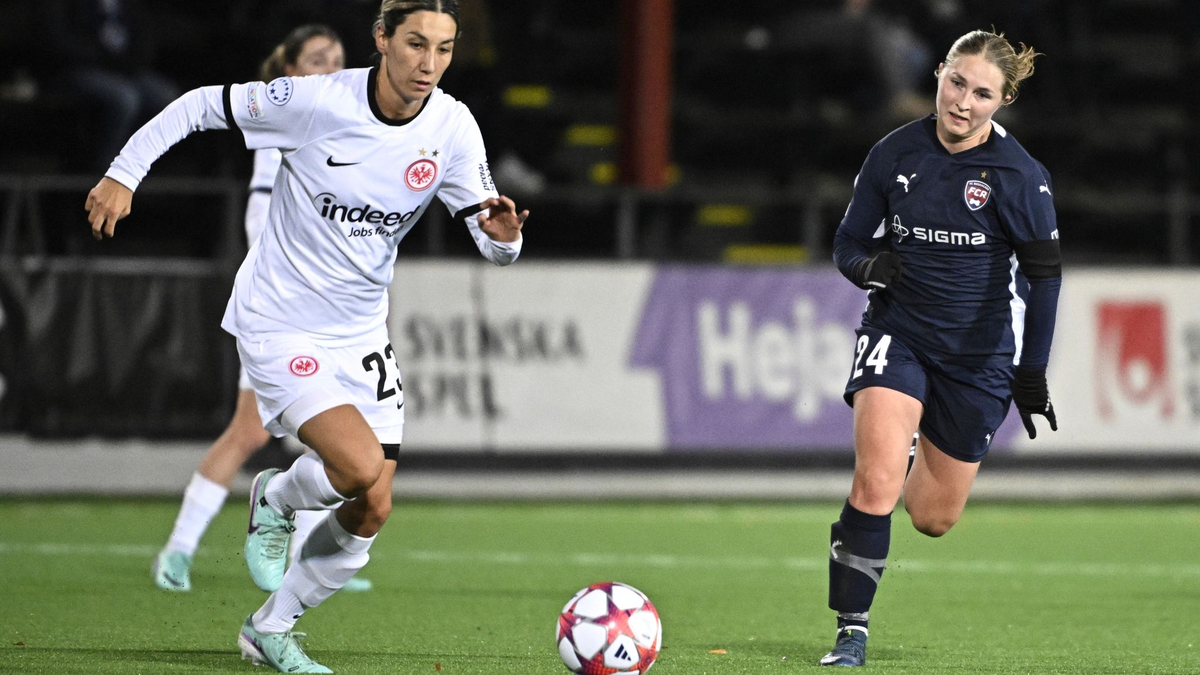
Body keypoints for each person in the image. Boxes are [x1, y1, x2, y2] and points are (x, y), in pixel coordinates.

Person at [85, 1, 528, 671]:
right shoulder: (317, 102)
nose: (428, 64)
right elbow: (201, 105)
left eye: (443, 48)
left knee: (374, 505)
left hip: (360, 331)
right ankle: (278, 494)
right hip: (280, 317)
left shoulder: (453, 126)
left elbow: (490, 237)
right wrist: (124, 171)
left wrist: (506, 240)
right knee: (354, 468)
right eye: (414, 44)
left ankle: (271, 626)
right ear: (381, 39)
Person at [821, 30, 1059, 666]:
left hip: (977, 358)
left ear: (1002, 101)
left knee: (931, 517)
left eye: (981, 93)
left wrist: (1030, 374)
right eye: (956, 82)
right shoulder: (893, 154)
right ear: (939, 76)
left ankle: (898, 467)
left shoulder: (1020, 177)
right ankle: (851, 630)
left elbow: (1045, 278)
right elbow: (847, 243)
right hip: (898, 334)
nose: (962, 101)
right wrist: (869, 269)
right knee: (875, 484)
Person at [149, 24, 372, 595]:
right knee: (249, 433)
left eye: (338, 58)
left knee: (323, 438)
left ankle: (304, 559)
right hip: (284, 313)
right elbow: (260, 219)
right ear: (291, 71)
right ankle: (176, 551)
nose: (331, 67)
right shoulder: (288, 125)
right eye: (318, 59)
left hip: (327, 316)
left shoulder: (343, 128)